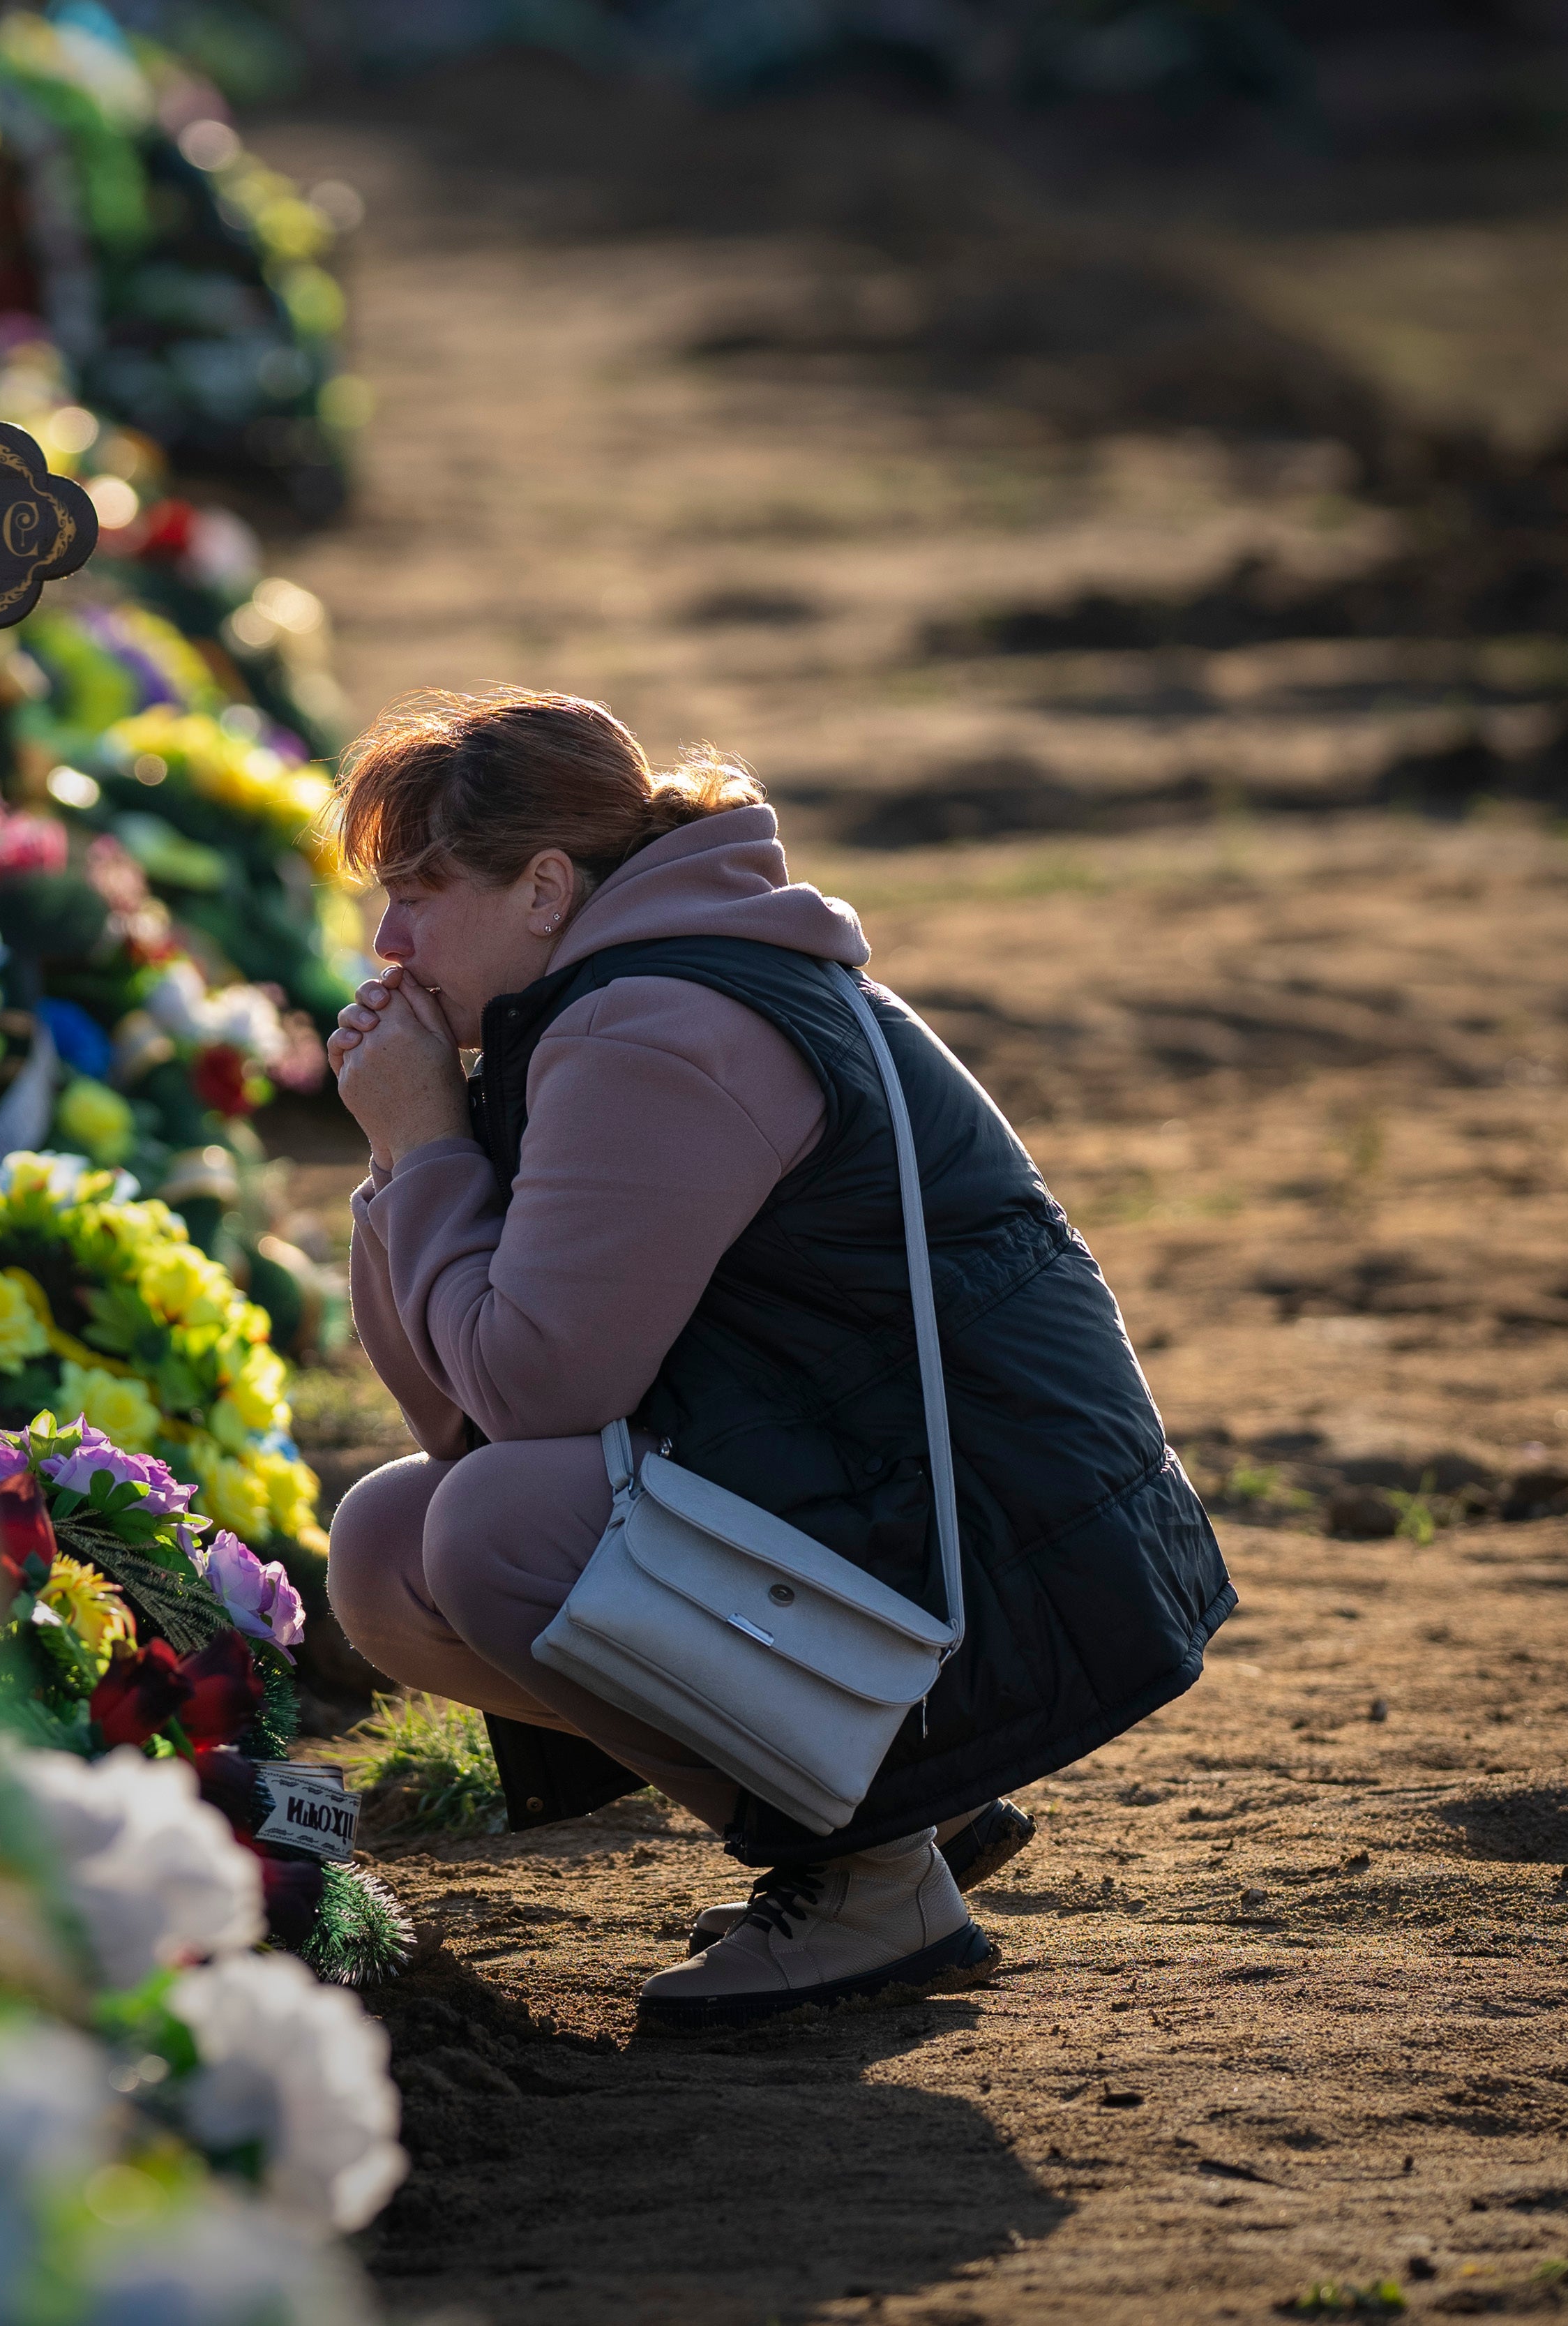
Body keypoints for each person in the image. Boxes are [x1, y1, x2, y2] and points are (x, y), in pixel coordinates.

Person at [320, 687, 1234, 2033]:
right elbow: (462, 1405)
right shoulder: (603, 996)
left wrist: (432, 1147)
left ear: (546, 886)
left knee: (495, 1532)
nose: (388, 941)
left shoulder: (656, 1026)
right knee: (392, 1545)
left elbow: (530, 1398)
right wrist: (411, 1151)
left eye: (420, 891)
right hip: (900, 1506)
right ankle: (890, 1808)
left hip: (1002, 1567)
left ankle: (868, 1867)